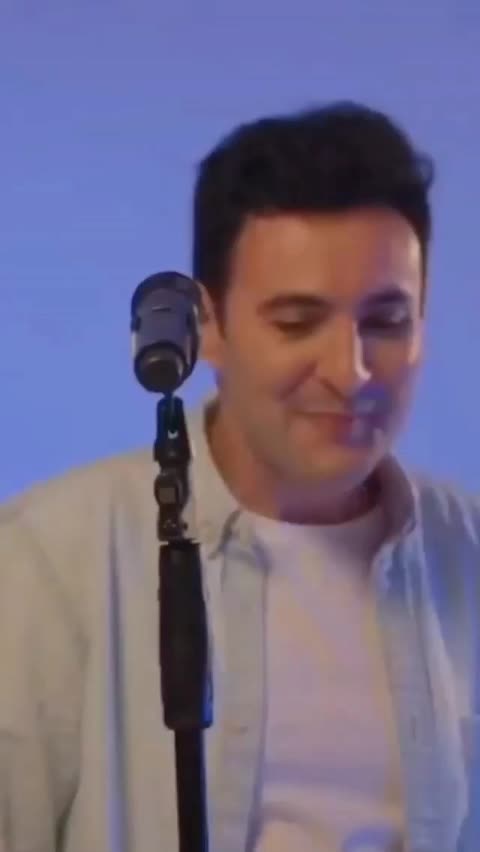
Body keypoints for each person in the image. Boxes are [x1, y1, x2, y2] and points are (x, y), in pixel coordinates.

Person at [1, 101, 479, 852]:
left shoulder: (468, 556)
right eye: (296, 323)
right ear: (208, 327)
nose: (350, 372)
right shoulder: (48, 561)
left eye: (386, 322)